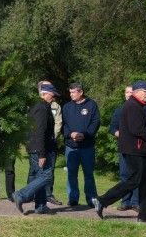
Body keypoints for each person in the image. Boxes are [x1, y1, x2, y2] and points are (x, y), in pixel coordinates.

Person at [93, 81, 146, 222]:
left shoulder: (137, 106)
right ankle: (102, 200)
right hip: (135, 150)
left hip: (140, 149)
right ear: (137, 91)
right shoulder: (132, 106)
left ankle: (145, 216)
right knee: (134, 180)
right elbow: (138, 130)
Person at [12, 83, 58, 214]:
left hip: (38, 147)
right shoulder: (41, 107)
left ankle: (40, 206)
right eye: (52, 94)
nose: (54, 97)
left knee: (40, 176)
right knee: (47, 177)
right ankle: (21, 195)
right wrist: (42, 154)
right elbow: (39, 131)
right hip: (40, 149)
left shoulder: (40, 106)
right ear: (44, 94)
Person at [62, 82, 101, 207]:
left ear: (81, 92)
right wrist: (70, 134)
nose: (71, 95)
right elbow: (63, 125)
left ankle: (91, 199)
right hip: (71, 146)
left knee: (88, 174)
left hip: (87, 146)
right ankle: (73, 198)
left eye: (73, 92)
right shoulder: (67, 107)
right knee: (71, 174)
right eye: (70, 92)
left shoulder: (91, 104)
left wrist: (85, 134)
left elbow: (96, 122)